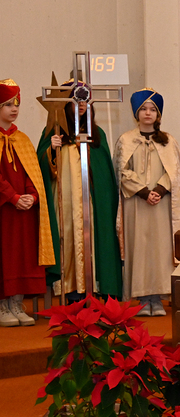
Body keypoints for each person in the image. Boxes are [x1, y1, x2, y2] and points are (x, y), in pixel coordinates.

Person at [113, 89, 180, 315]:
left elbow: (174, 171)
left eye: (152, 110)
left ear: (158, 115)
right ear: (136, 113)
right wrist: (143, 192)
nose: (148, 113)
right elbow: (121, 171)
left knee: (161, 250)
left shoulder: (169, 141)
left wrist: (158, 190)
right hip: (136, 204)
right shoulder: (125, 140)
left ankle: (157, 298)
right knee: (138, 248)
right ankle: (141, 298)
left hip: (161, 204)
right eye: (143, 109)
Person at [37, 95, 121, 299]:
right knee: (68, 238)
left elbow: (104, 174)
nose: (81, 104)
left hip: (91, 202)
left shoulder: (97, 133)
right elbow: (40, 168)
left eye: (85, 100)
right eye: (75, 100)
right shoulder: (53, 132)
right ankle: (71, 290)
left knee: (94, 240)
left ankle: (95, 288)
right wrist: (51, 150)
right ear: (65, 104)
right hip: (66, 201)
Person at [0, 80, 55, 327]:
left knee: (23, 255)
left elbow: (33, 173)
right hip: (4, 209)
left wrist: (32, 196)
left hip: (24, 211)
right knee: (6, 254)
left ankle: (17, 303)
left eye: (17, 104)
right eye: (8, 104)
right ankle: (3, 305)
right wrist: (12, 197)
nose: (14, 109)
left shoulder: (22, 139)